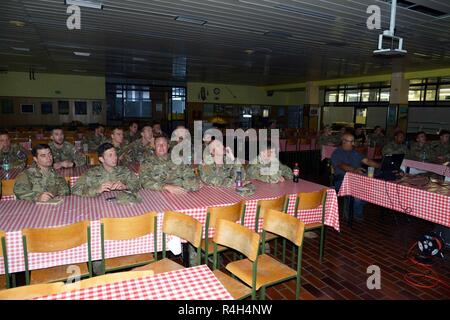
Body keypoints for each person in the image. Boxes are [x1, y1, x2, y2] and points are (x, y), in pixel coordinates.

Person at [331, 133, 380, 220]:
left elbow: (367, 161)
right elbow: (341, 165)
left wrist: (381, 166)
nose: (353, 144)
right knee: (358, 194)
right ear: (344, 141)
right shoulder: (337, 153)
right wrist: (354, 170)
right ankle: (356, 214)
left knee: (376, 188)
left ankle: (355, 207)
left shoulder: (354, 152)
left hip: (357, 179)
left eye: (353, 141)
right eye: (351, 141)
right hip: (342, 179)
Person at [71, 143, 140, 199]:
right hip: (98, 207)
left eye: (115, 154)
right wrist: (97, 190)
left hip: (121, 203)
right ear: (101, 159)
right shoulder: (92, 173)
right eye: (110, 155)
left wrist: (125, 186)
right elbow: (75, 189)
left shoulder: (124, 171)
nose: (115, 158)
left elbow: (137, 184)